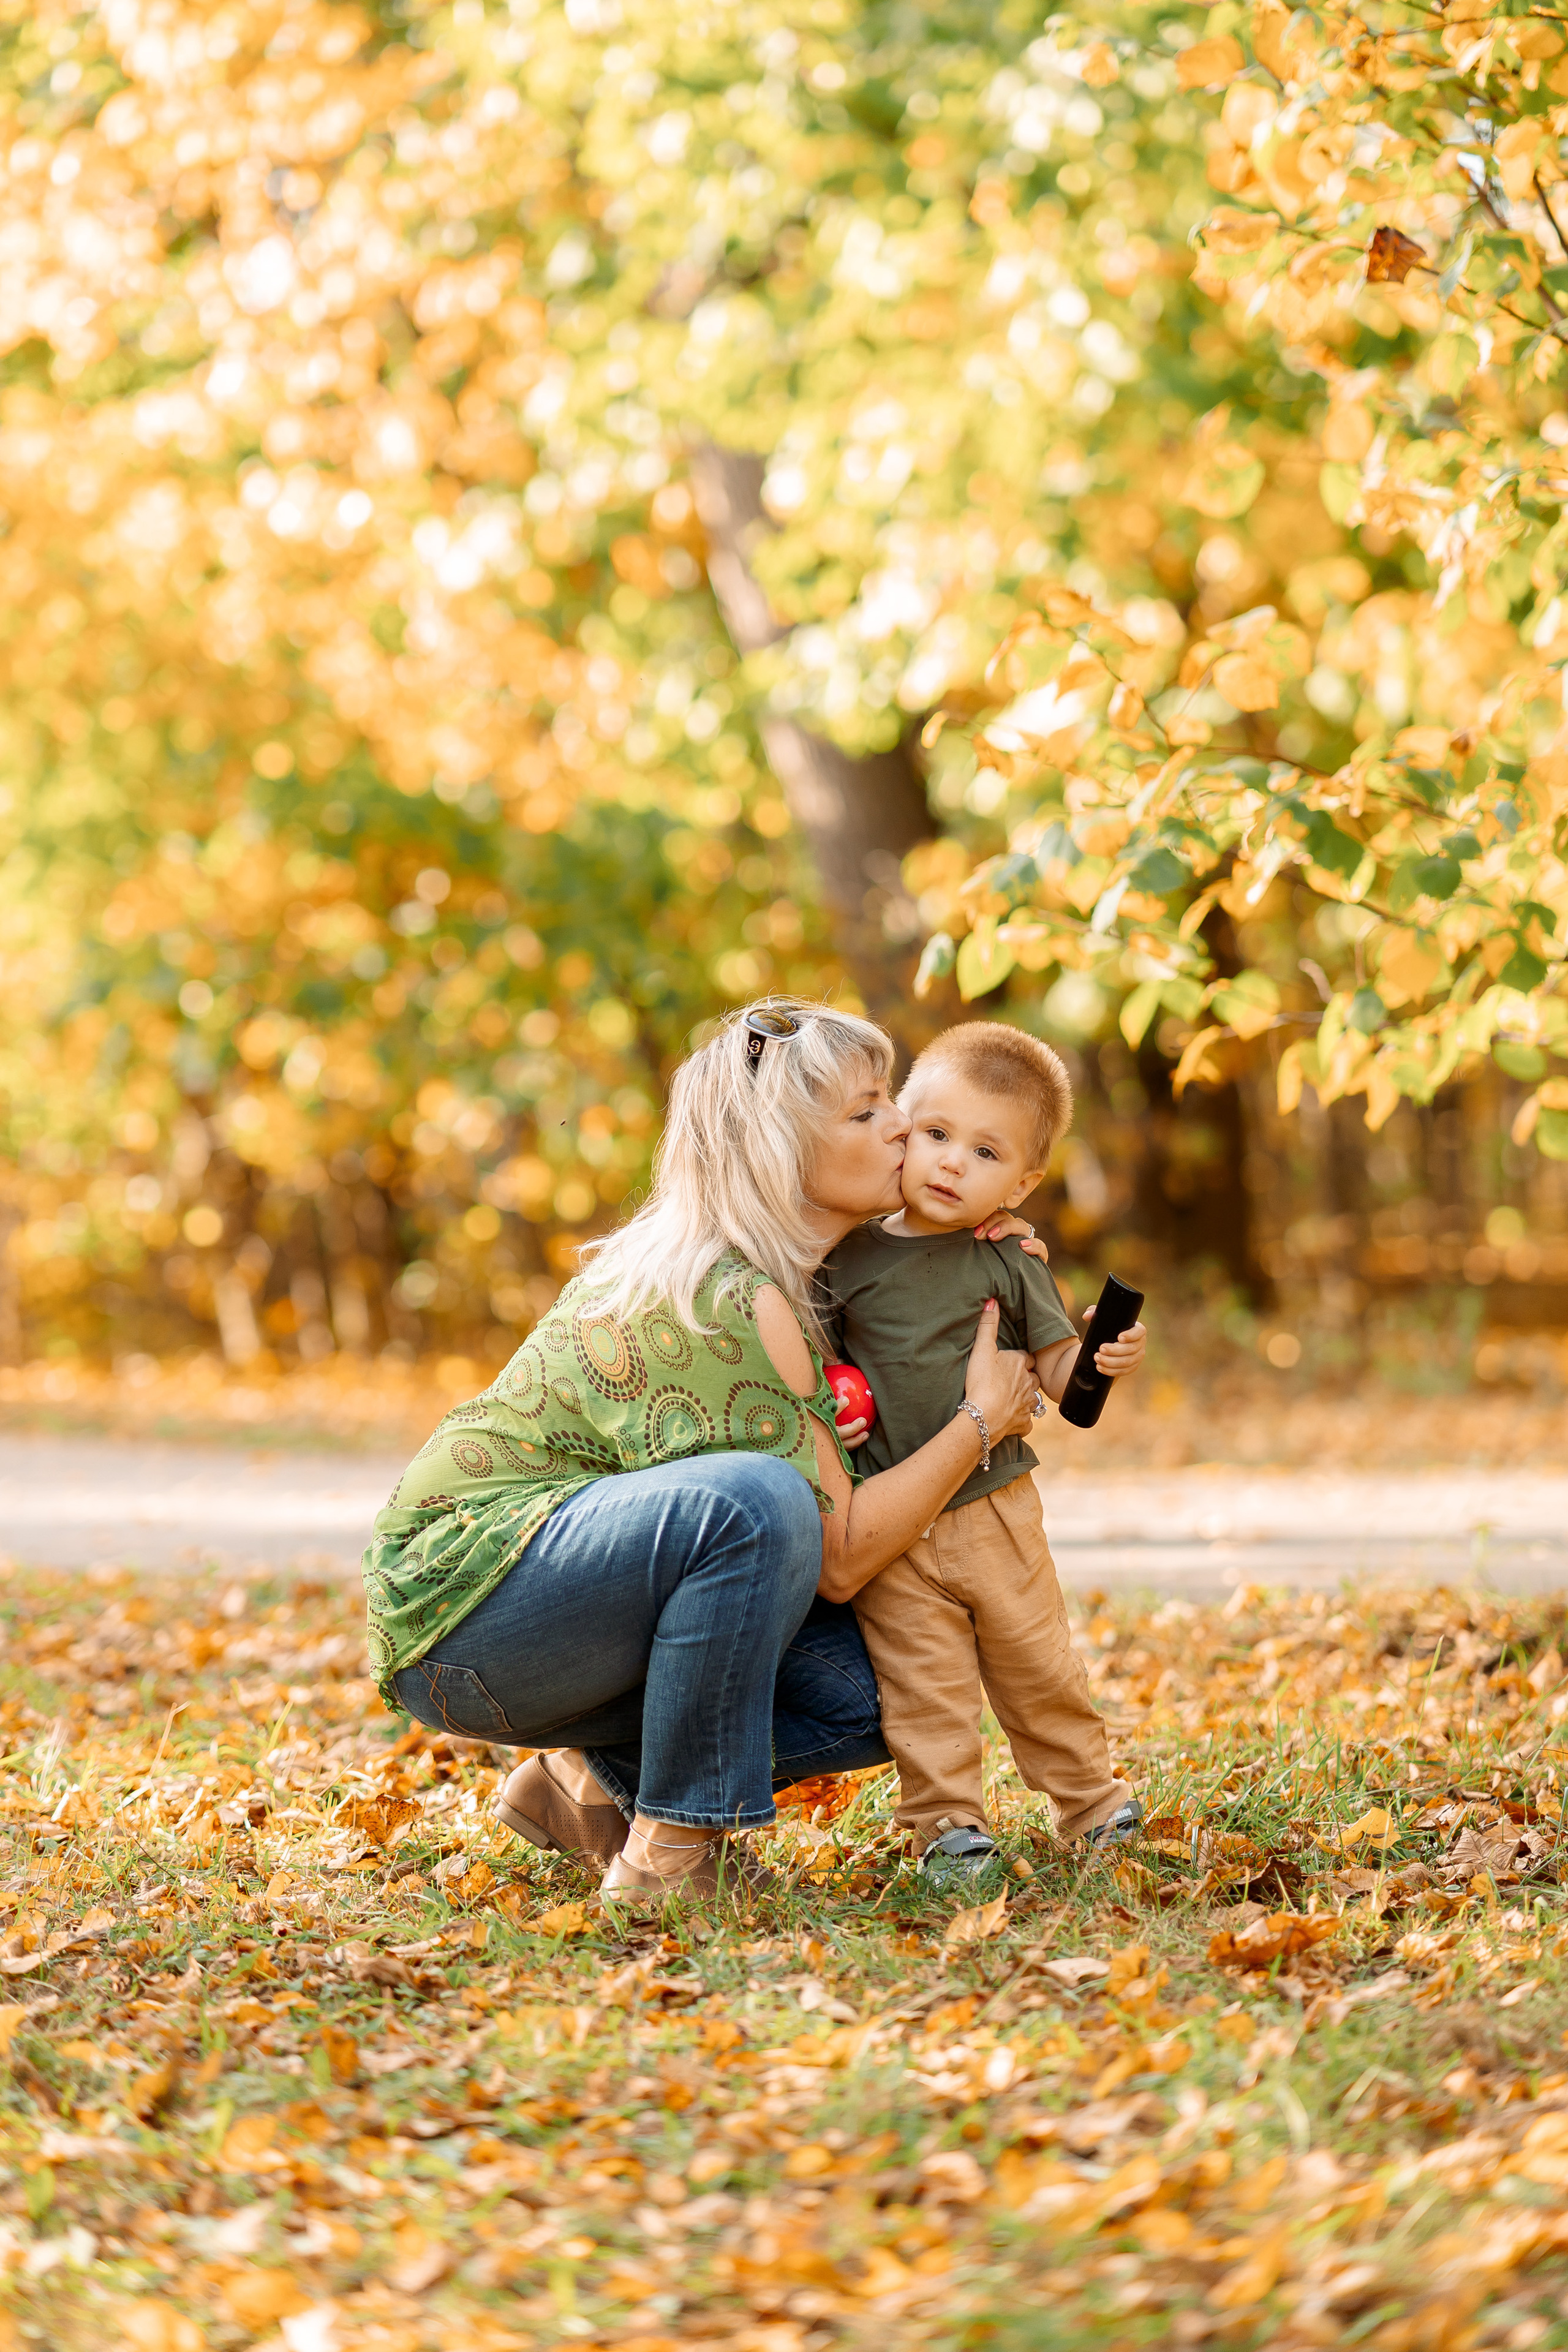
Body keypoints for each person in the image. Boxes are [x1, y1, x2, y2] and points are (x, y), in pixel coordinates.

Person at [361, 999, 1044, 1908]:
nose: (901, 1127)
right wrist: (979, 1422)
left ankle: (591, 1785)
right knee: (754, 1503)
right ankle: (674, 1852)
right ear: (783, 1150)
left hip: (545, 1614)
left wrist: (990, 1254)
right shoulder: (732, 1292)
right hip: (463, 1608)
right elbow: (838, 1558)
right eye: (866, 1109)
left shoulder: (808, 1281)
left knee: (894, 1678)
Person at [820, 1020, 1148, 1884]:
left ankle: (1090, 1804)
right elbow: (818, 1361)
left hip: (997, 1505)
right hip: (894, 1517)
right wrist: (833, 1403)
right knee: (924, 1690)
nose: (953, 1163)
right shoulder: (846, 1260)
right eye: (935, 1136)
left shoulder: (1005, 1258)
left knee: (1037, 1663)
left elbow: (1057, 1374)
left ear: (1024, 1180)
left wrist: (1097, 1356)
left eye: (985, 1151)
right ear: (902, 1127)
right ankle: (948, 1830)